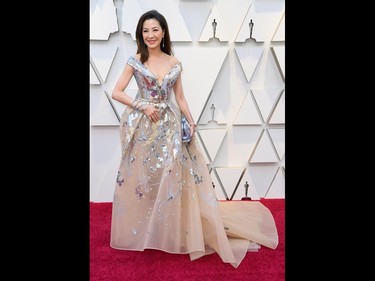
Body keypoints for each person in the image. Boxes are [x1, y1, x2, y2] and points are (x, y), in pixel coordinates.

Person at [110, 9, 278, 268]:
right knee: (143, 178)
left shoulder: (174, 62)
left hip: (169, 127)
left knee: (172, 176)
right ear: (140, 34)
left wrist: (189, 119)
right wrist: (142, 105)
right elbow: (117, 92)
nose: (150, 35)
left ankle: (170, 229)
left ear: (163, 32)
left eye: (155, 30)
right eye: (145, 30)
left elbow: (180, 98)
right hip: (144, 126)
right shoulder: (136, 60)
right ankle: (145, 229)